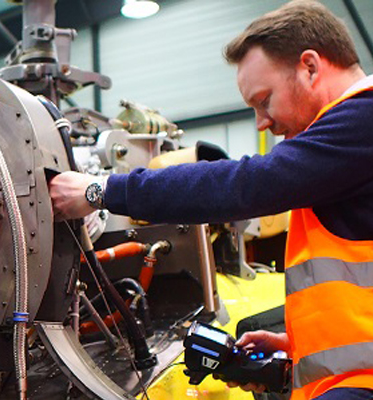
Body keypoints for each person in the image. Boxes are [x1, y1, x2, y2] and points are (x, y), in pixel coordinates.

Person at [49, 1, 373, 399]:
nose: (262, 122)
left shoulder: (363, 120)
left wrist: (100, 191)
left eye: (264, 99)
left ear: (309, 66)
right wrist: (298, 345)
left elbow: (245, 183)